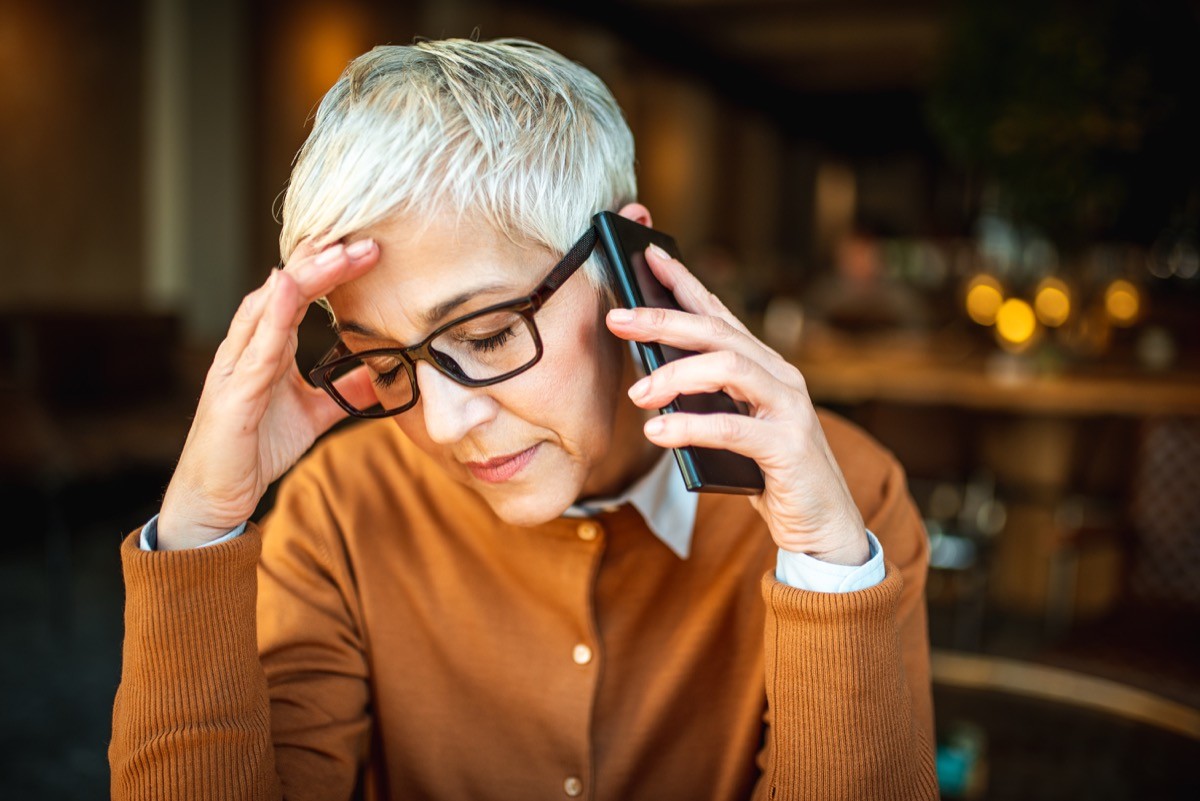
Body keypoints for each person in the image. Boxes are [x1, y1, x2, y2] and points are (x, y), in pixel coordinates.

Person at [109, 38, 936, 800]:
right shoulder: (343, 507)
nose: (443, 424)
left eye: (488, 334)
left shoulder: (845, 502)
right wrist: (199, 530)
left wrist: (828, 575)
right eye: (387, 364)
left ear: (630, 266)